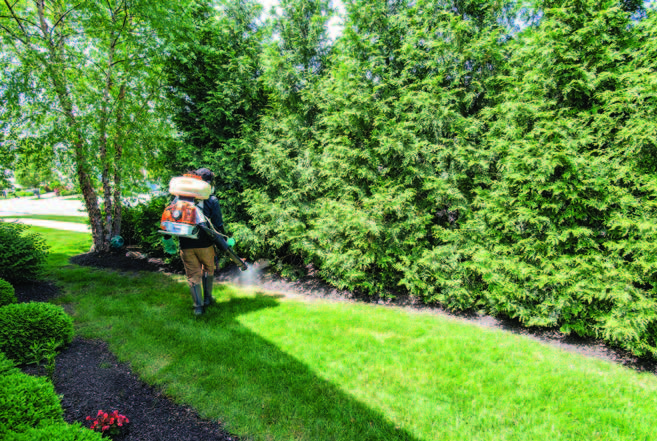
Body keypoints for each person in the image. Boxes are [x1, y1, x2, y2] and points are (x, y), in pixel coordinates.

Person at [176, 168, 225, 316]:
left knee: (193, 275)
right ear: (209, 183)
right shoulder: (211, 200)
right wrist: (224, 240)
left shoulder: (180, 197)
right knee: (208, 269)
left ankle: (198, 307)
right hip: (205, 245)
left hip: (186, 245)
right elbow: (218, 224)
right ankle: (208, 299)